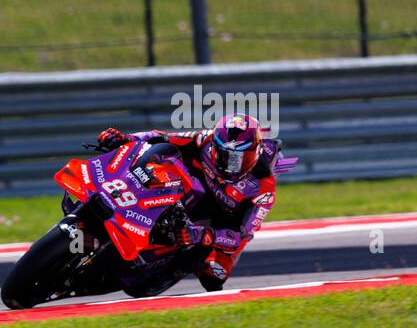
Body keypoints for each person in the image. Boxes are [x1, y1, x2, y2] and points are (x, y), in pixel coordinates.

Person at [95, 114, 281, 292]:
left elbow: (239, 236)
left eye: (239, 158)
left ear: (255, 154)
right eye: (223, 154)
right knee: (164, 158)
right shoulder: (204, 139)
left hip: (222, 225)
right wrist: (126, 139)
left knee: (213, 276)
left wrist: (203, 235)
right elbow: (161, 137)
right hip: (195, 194)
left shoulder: (263, 188)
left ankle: (170, 265)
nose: (228, 164)